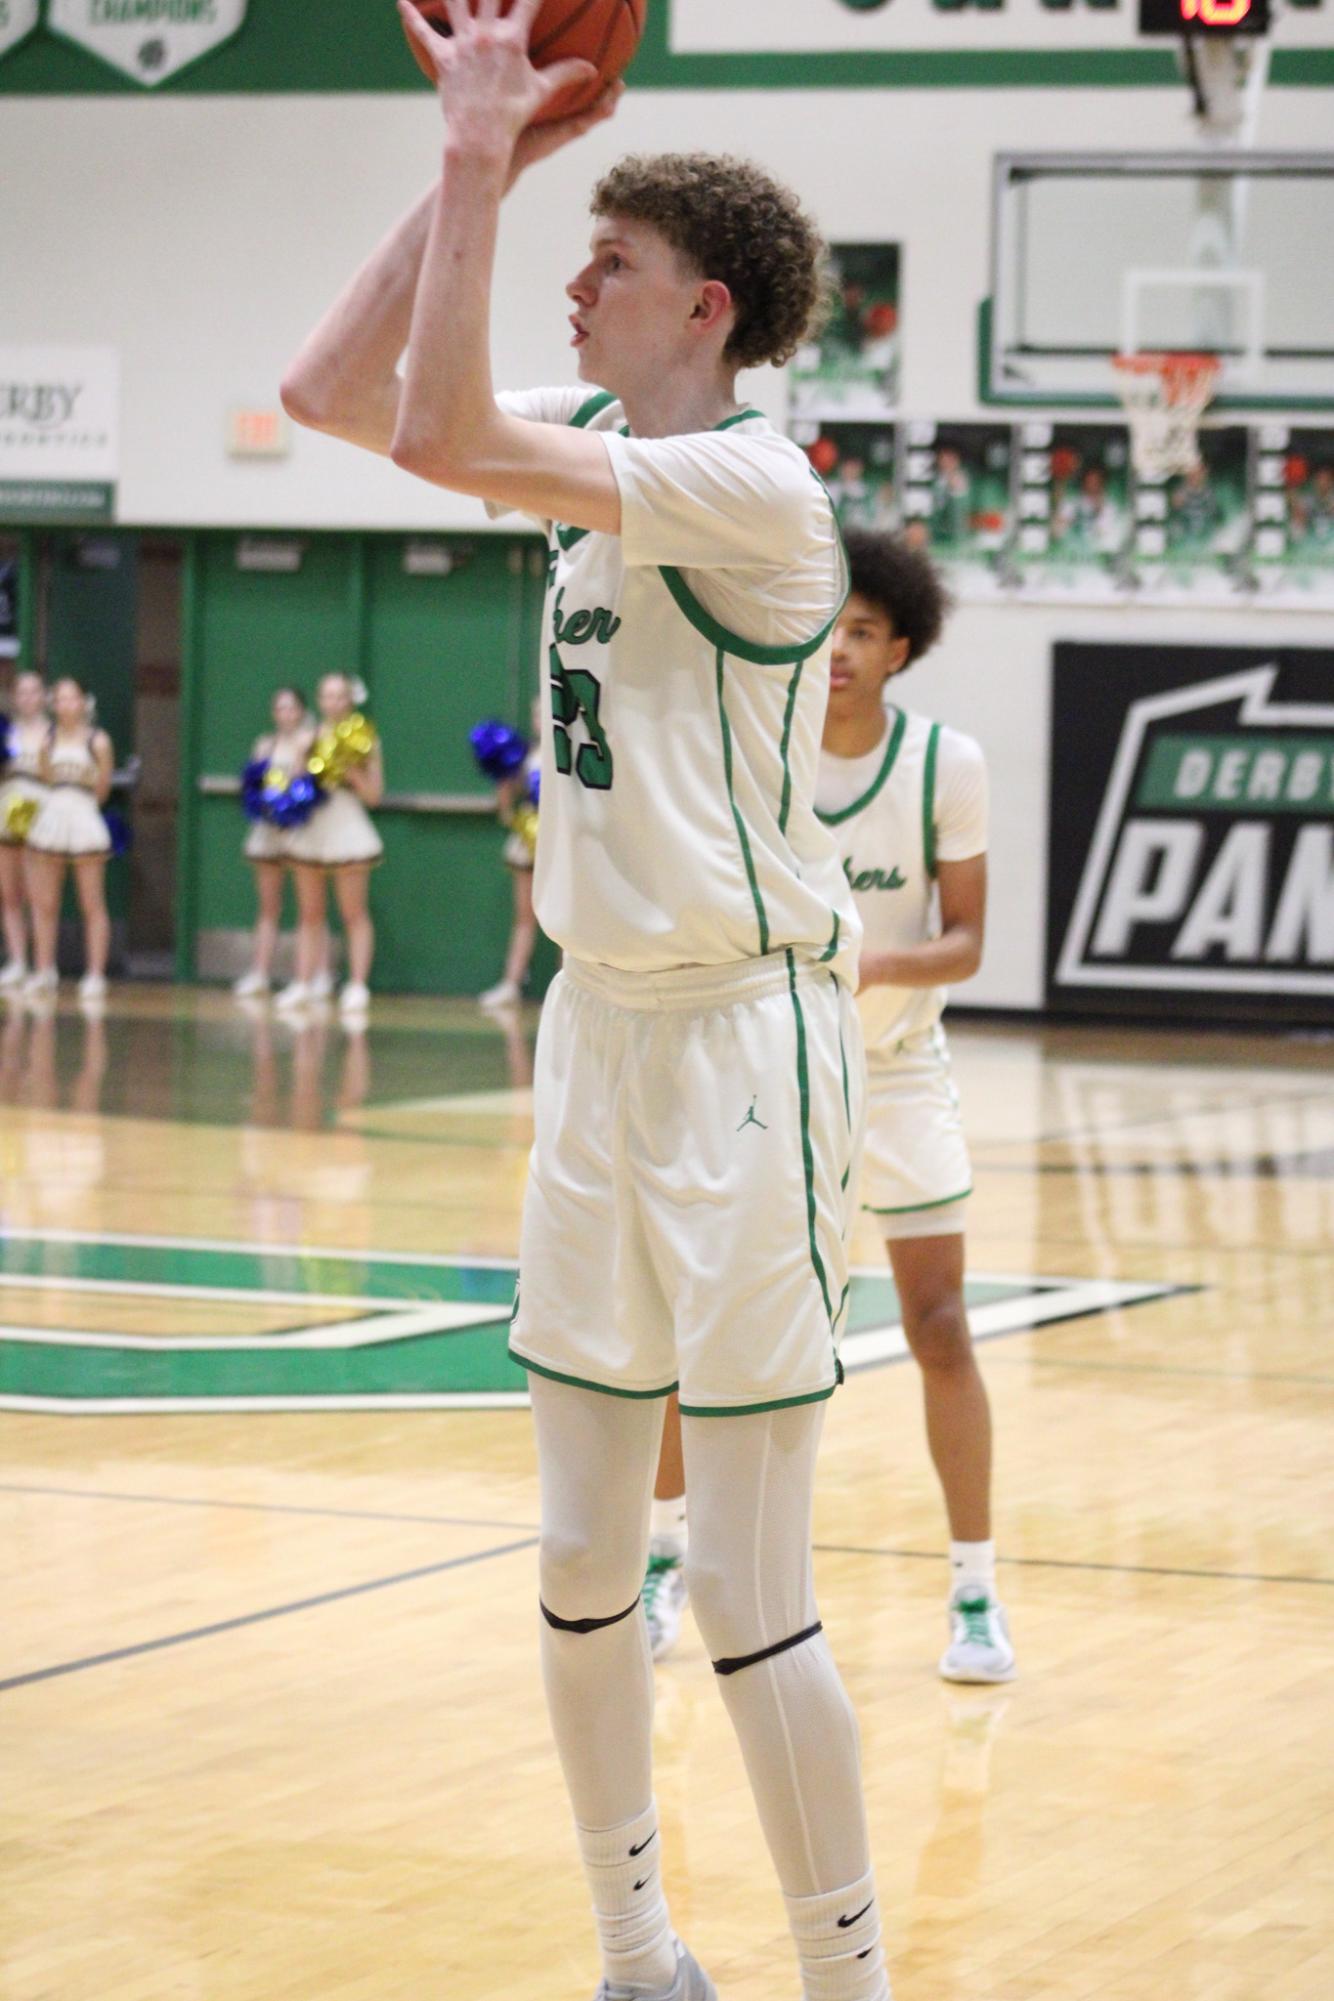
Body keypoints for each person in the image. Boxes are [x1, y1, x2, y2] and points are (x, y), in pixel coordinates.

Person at [281, 7, 891, 1997]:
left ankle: (843, 1975)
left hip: (743, 1045)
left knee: (737, 1578)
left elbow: (442, 433)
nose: (571, 281)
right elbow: (336, 388)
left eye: (606, 262)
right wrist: (493, 164)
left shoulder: (753, 488)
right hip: (598, 1041)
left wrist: (479, 154)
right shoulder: (614, 441)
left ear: (703, 308)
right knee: (571, 1556)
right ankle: (634, 1946)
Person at [643, 533, 1014, 1687]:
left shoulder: (945, 762)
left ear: (900, 647)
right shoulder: (759, 746)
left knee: (939, 1327)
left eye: (861, 631)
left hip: (896, 1076)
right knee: (700, 1329)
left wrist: (870, 968)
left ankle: (973, 1590)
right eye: (828, 627)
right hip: (769, 1074)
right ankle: (664, 1562)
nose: (839, 649)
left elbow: (964, 943)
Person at [279, 672, 383, 1017]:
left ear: (350, 700)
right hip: (313, 827)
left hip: (347, 826)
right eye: (327, 696)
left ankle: (356, 984)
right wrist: (301, 760)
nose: (333, 702)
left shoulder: (365, 738)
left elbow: (374, 796)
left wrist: (352, 772)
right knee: (309, 913)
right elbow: (292, 788)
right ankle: (304, 982)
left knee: (353, 912)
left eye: (340, 696)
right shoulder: (309, 737)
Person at [24, 678, 115, 1003]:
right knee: (44, 902)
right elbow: (47, 779)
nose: (65, 705)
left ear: (83, 702)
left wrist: (83, 804)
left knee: (91, 902)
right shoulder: (47, 739)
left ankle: (95, 974)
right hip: (52, 818)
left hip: (84, 817)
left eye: (71, 698)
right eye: (59, 699)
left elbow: (103, 789)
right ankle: (44, 970)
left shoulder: (98, 740)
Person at [233, 685, 319, 1000]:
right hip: (269, 830)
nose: (286, 714)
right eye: (280, 708)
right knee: (268, 906)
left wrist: (292, 803)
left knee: (310, 909)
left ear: (302, 711)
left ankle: (314, 975)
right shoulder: (264, 745)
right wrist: (262, 802)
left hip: (300, 830)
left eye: (292, 708)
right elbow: (254, 784)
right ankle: (259, 972)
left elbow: (311, 785)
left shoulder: (310, 742)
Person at [479, 697, 541, 1009]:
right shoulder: (525, 756)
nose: (541, 718)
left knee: (564, 920)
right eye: (536, 713)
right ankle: (511, 983)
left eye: (547, 712)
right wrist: (502, 781)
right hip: (529, 843)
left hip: (561, 845)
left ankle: (568, 983)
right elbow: (505, 807)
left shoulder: (571, 754)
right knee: (524, 917)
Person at [0, 668, 50, 990]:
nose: (28, 698)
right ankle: (17, 961)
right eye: (22, 691)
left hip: (42, 806)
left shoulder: (53, 732)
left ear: (44, 696)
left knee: (38, 893)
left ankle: (43, 967)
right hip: (11, 803)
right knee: (9, 890)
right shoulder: (7, 731)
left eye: (34, 691)